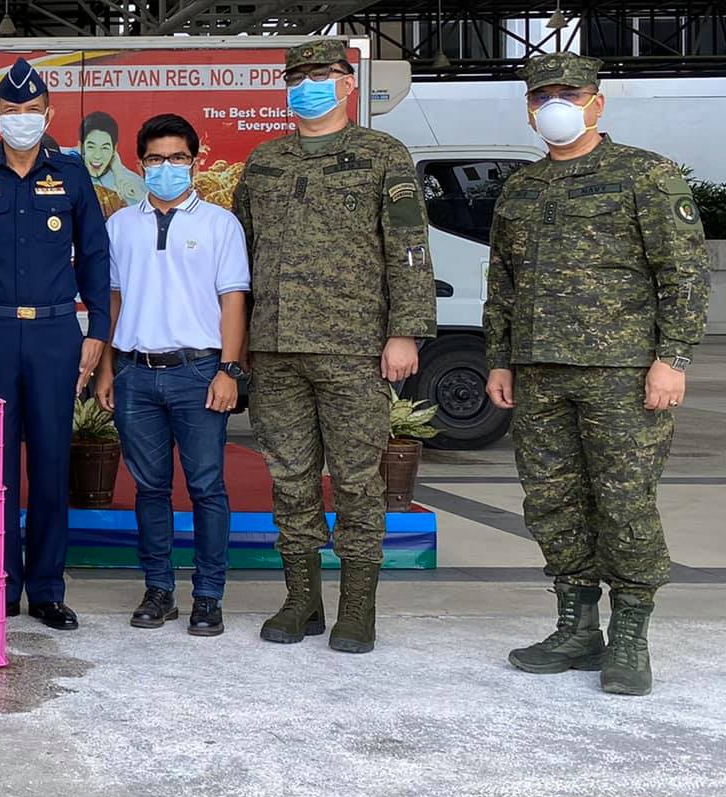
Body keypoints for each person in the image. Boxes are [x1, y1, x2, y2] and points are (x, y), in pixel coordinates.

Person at [484, 54, 708, 696]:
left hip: (622, 371)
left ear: (598, 102)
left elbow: (684, 273)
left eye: (569, 92)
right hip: (538, 371)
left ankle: (631, 635)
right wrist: (500, 356)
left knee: (624, 503)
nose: (555, 104)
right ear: (529, 108)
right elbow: (501, 280)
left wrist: (674, 358)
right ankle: (578, 629)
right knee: (552, 503)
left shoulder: (646, 174)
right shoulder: (521, 188)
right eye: (542, 95)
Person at [232, 37, 435, 655]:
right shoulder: (265, 161)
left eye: (321, 74)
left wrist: (406, 330)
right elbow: (238, 258)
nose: (308, 85)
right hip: (274, 347)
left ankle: (357, 608)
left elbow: (408, 247)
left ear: (348, 84)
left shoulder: (380, 155)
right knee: (290, 479)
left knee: (355, 481)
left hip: (353, 346)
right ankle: (301, 601)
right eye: (297, 77)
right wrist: (237, 348)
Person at [0, 58, 111, 628]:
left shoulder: (72, 174)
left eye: (30, 111)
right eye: (10, 112)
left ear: (47, 114)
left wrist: (99, 332)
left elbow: (93, 255)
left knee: (51, 462)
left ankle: (45, 588)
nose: (20, 120)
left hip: (56, 333)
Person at [95, 114, 250, 636]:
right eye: (157, 160)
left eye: (177, 159)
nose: (167, 168)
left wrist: (229, 369)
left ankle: (209, 595)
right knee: (150, 488)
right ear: (141, 164)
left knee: (207, 487)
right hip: (137, 374)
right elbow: (112, 301)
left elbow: (233, 301)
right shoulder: (120, 225)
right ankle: (159, 589)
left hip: (199, 371)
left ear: (195, 161)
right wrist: (106, 369)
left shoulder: (219, 224)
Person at [80, 112, 147, 206]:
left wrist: (119, 171)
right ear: (81, 146)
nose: (97, 155)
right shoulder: (69, 166)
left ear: (114, 149)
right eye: (91, 147)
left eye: (105, 148)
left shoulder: (131, 182)